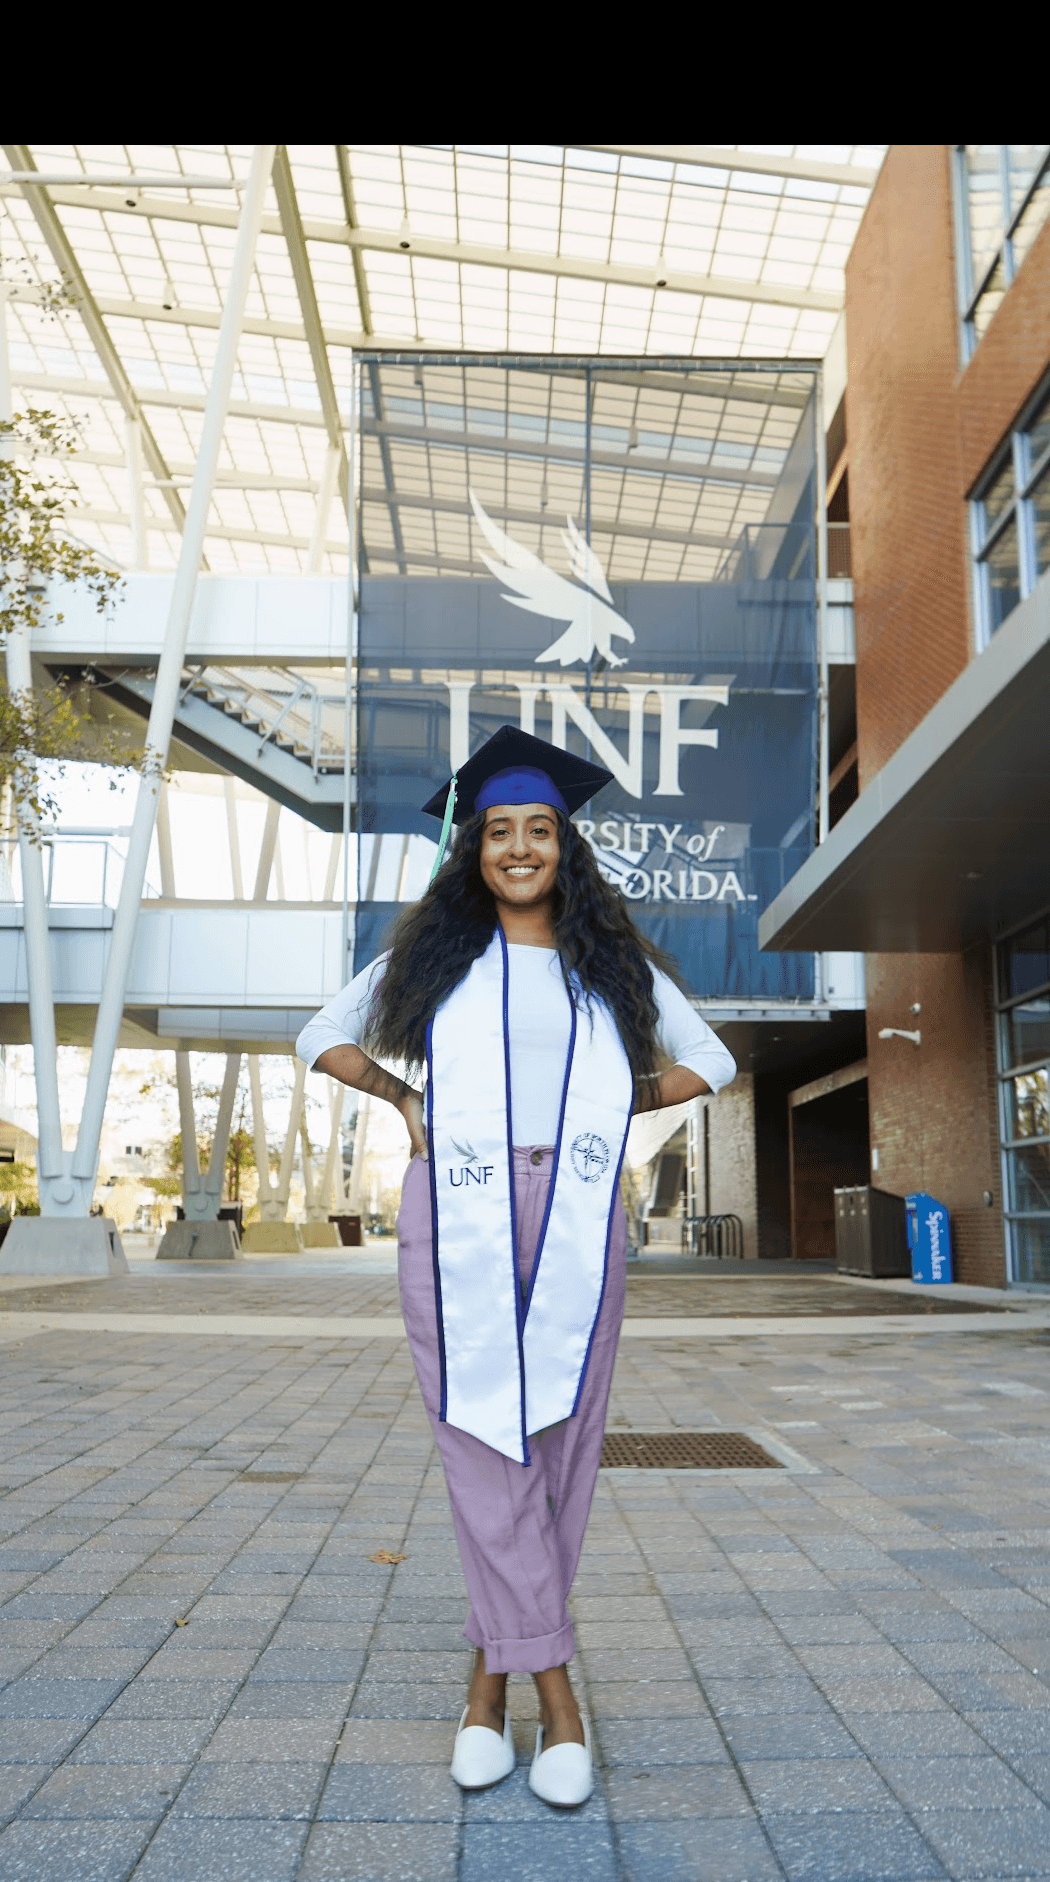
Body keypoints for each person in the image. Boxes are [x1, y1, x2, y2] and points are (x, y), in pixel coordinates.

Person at [297, 727, 736, 1806]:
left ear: (565, 848)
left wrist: (608, 1102)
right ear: (475, 850)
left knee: (560, 1450)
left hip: (581, 1206)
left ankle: (483, 1696)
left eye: (540, 830)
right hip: (455, 1213)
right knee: (481, 1442)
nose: (521, 848)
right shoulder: (434, 957)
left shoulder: (611, 962)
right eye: (500, 832)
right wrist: (405, 1100)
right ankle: (559, 1701)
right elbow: (317, 1035)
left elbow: (712, 1060)